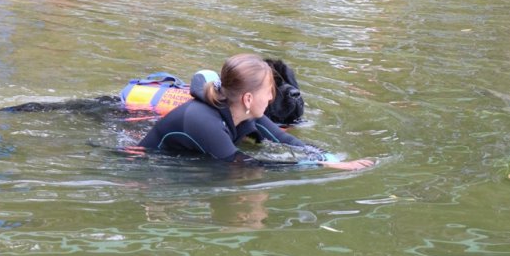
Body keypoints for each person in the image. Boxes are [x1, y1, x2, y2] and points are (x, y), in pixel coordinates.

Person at [137, 54, 374, 170]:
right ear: (248, 98)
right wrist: (323, 168)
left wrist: (334, 159)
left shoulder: (247, 114)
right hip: (145, 166)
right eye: (269, 91)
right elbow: (246, 164)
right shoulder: (203, 121)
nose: (271, 98)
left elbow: (290, 142)